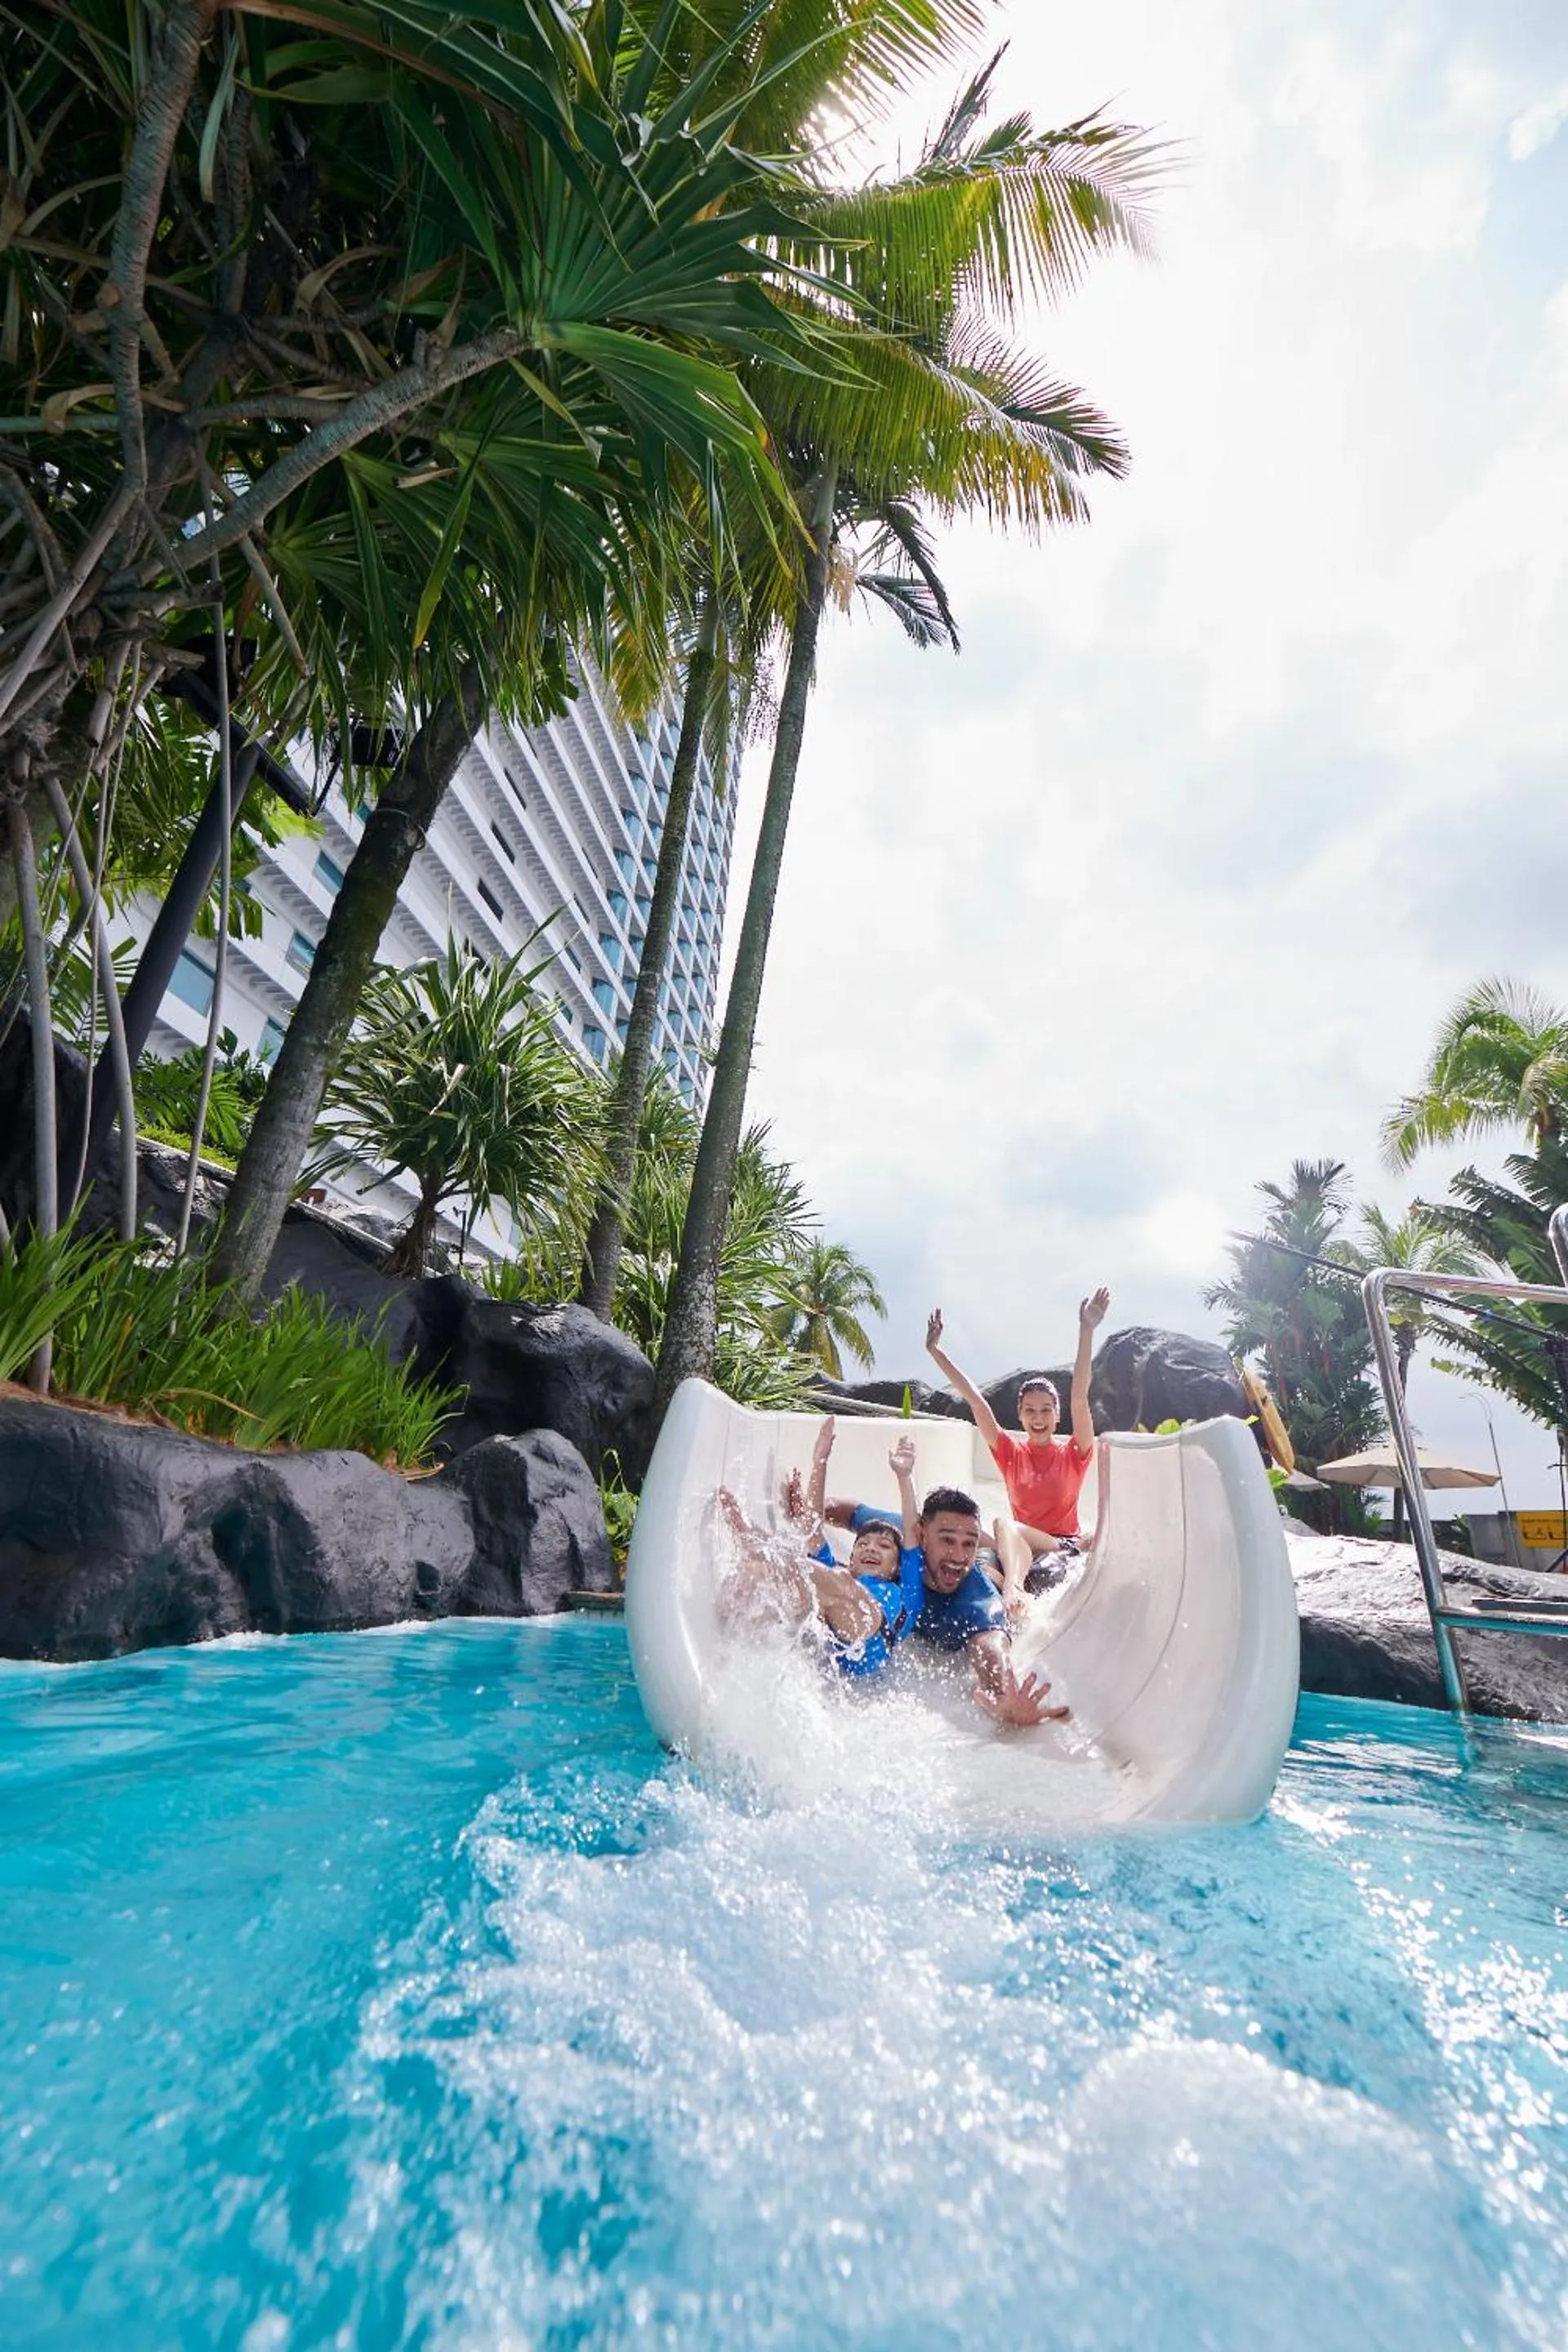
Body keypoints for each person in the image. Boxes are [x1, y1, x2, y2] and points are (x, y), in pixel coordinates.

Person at [925, 1290, 1111, 1619]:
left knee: (1002, 1523)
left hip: (1059, 1544)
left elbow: (1080, 1398)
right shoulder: (1010, 1453)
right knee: (952, 1531)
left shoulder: (1074, 1454)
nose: (1038, 1418)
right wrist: (935, 1352)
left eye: (1045, 1410)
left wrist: (1087, 1331)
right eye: (1030, 1411)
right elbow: (976, 1401)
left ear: (1057, 1415)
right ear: (1020, 1415)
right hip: (1017, 1546)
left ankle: (1013, 1588)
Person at [822, 1483, 1068, 1727]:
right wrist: (805, 1506)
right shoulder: (897, 1537)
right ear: (921, 1535)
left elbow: (991, 1649)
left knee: (1027, 1548)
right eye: (947, 1540)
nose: (959, 1556)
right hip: (983, 1560)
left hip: (1010, 1569)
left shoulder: (980, 1605)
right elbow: (850, 1512)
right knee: (990, 1545)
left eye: (967, 1544)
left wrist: (1004, 1697)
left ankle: (1067, 1546)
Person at [717, 1418, 924, 1681]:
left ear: (898, 1566)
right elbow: (813, 1528)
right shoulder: (838, 1572)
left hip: (873, 1636)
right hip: (837, 1642)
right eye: (862, 1545)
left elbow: (912, 1531)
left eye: (884, 1546)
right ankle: (737, 1637)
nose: (871, 1549)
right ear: (851, 1560)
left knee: (819, 1575)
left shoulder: (908, 1593)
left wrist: (905, 1477)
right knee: (790, 1577)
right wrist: (820, 1461)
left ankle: (752, 1540)